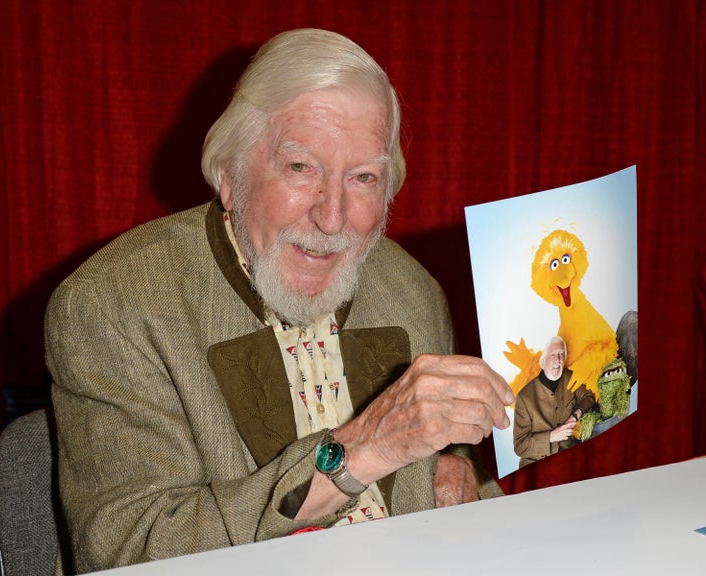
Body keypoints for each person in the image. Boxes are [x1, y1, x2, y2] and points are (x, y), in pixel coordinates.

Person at [45, 28, 514, 573]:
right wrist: (360, 452)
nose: (332, 217)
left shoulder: (412, 291)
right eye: (300, 168)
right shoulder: (113, 306)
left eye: (363, 178)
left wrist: (461, 472)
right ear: (229, 173)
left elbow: (449, 470)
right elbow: (130, 552)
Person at [512, 336, 595, 468]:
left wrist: (576, 415)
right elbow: (520, 446)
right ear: (543, 362)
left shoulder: (570, 377)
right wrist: (551, 436)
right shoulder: (524, 397)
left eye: (561, 354)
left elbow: (589, 396)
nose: (558, 360)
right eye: (553, 355)